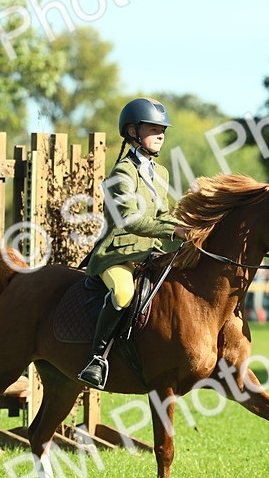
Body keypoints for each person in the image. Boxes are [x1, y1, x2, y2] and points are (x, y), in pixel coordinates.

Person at [77, 98, 190, 389]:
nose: (161, 134)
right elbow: (129, 219)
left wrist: (191, 224)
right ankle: (97, 358)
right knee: (125, 293)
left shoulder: (160, 173)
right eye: (153, 129)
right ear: (132, 132)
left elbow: (163, 213)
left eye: (162, 129)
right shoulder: (122, 174)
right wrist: (175, 231)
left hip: (149, 253)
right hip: (116, 255)